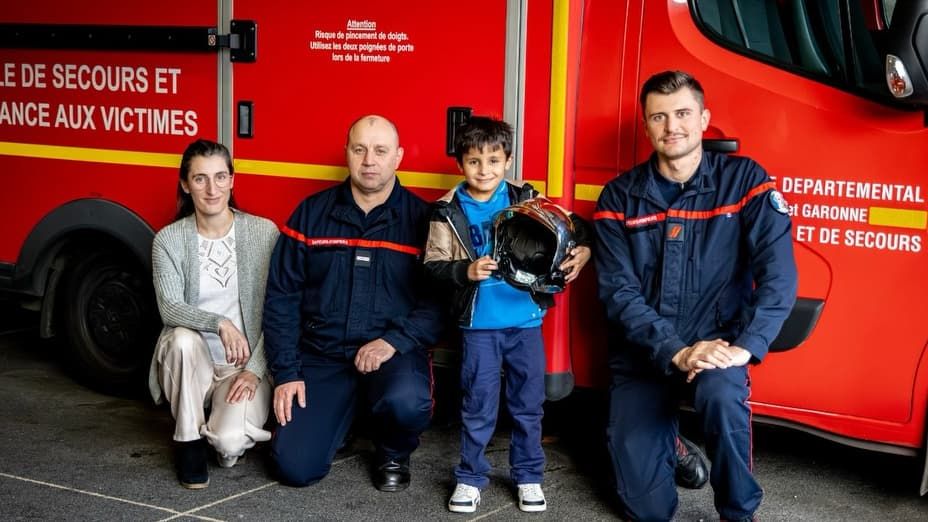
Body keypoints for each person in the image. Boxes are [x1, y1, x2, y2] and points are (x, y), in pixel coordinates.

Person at [593, 70, 798, 521]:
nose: (672, 127)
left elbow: (779, 275)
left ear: (704, 119)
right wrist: (677, 351)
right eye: (659, 117)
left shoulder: (745, 182)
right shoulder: (618, 198)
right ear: (646, 126)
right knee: (647, 511)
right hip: (643, 356)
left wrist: (745, 348)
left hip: (718, 347)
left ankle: (739, 512)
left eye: (683, 113)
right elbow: (619, 294)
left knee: (723, 399)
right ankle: (674, 444)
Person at [263, 114, 443, 492]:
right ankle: (336, 423)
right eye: (359, 149)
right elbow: (282, 297)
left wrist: (395, 341)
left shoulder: (425, 221)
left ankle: (393, 450)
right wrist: (287, 372)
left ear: (398, 157)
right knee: (293, 468)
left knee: (407, 402)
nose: (369, 161)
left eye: (380, 151)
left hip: (391, 353)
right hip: (322, 354)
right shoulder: (311, 215)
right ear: (346, 153)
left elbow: (440, 301)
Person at [423, 116, 592, 514]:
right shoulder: (446, 211)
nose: (485, 171)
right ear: (460, 163)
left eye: (494, 161)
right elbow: (430, 266)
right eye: (474, 161)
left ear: (508, 160)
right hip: (479, 327)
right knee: (478, 404)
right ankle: (469, 478)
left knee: (528, 404)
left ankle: (529, 476)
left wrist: (582, 251)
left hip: (525, 323)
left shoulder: (525, 197)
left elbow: (575, 227)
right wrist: (465, 271)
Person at [149, 139, 278, 489]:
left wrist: (254, 371)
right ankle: (188, 438)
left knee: (229, 445)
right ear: (185, 184)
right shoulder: (169, 240)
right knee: (180, 339)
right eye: (201, 178)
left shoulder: (263, 232)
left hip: (241, 368)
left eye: (221, 177)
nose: (212, 189)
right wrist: (219, 323)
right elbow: (170, 307)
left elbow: (279, 311)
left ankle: (222, 425)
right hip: (192, 364)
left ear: (233, 180)